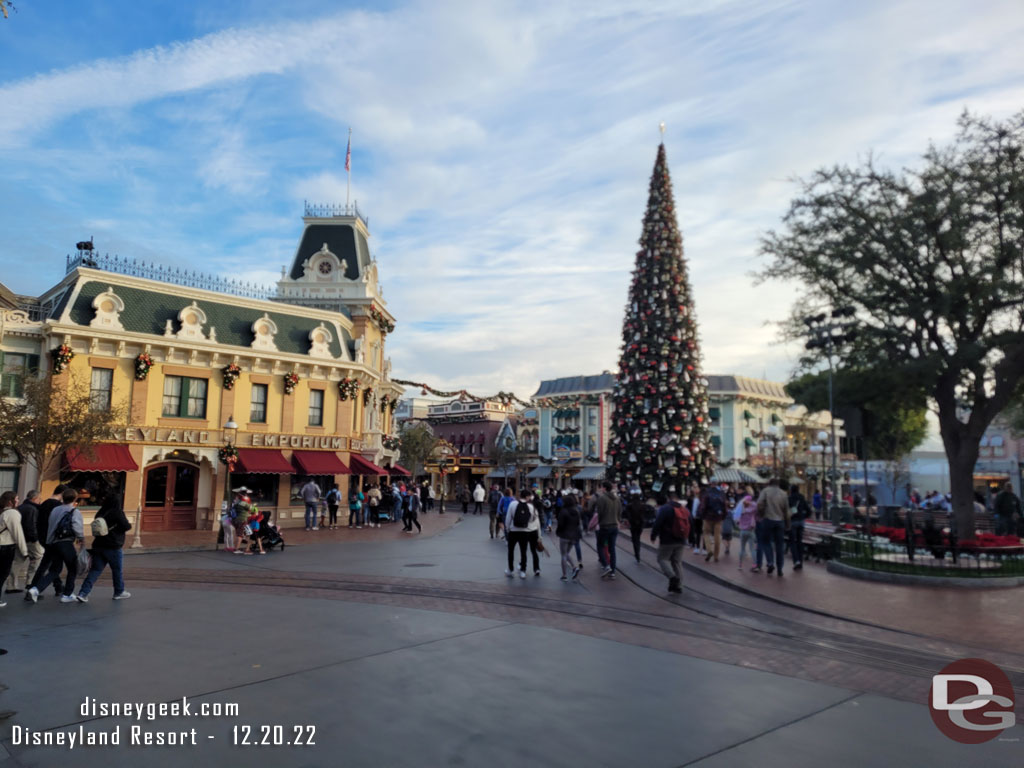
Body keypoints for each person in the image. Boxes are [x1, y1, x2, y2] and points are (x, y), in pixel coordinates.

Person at [75, 486, 133, 602]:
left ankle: (83, 592)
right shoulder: (117, 512)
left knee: (95, 570)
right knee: (117, 570)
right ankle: (119, 591)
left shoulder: (100, 512)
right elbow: (126, 526)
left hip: (99, 545)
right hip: (113, 545)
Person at [28, 487, 83, 603]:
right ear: (75, 499)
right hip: (66, 542)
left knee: (55, 569)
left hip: (53, 543)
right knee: (73, 568)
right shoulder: (74, 511)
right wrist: (81, 539)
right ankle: (67, 594)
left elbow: (51, 527)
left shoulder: (55, 510)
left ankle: (36, 588)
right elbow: (77, 527)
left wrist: (49, 541)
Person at [27, 485, 67, 600]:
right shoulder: (58, 506)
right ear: (62, 493)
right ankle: (34, 589)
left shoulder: (44, 504)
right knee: (49, 566)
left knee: (51, 564)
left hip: (43, 538)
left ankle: (58, 587)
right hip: (53, 539)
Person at [5, 489, 41, 593]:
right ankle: (30, 582)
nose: (40, 501)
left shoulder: (20, 508)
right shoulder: (33, 509)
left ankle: (11, 585)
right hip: (30, 539)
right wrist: (35, 539)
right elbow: (31, 525)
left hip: (19, 539)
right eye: (39, 499)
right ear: (35, 499)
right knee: (38, 557)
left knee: (17, 561)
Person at [651, 493, 687, 593]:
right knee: (677, 562)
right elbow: (690, 522)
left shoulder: (664, 509)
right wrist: (690, 538)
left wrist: (653, 535)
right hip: (681, 539)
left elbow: (657, 523)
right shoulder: (683, 509)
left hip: (667, 540)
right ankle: (679, 586)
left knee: (662, 559)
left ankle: (673, 577)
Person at [755, 479, 790, 576]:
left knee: (766, 542)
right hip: (780, 521)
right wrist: (787, 524)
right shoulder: (783, 493)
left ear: (769, 484)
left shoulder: (765, 491)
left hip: (768, 519)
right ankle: (780, 568)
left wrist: (761, 514)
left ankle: (770, 562)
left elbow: (759, 504)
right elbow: (787, 510)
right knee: (779, 545)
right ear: (778, 484)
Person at [0, 491, 28, 607]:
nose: (18, 501)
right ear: (10, 501)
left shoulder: (3, 512)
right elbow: (18, 533)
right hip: (5, 546)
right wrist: (24, 550)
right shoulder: (12, 513)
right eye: (16, 499)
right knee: (2, 574)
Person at [505, 489, 541, 578]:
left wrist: (508, 528)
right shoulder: (531, 506)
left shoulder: (512, 504)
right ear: (528, 496)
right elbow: (533, 519)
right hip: (525, 532)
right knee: (523, 552)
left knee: (510, 551)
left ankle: (510, 569)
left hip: (513, 531)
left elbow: (508, 519)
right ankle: (523, 571)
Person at [594, 482, 622, 579]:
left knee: (600, 546)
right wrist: (617, 520)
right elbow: (620, 512)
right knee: (612, 548)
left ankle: (606, 566)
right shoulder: (617, 499)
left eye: (601, 487)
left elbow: (600, 512)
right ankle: (613, 571)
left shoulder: (602, 498)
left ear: (604, 488)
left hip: (605, 526)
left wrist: (600, 522)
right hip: (614, 526)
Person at [555, 493, 582, 581]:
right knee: (566, 553)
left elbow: (560, 524)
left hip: (564, 535)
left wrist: (558, 531)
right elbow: (578, 523)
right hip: (574, 535)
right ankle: (574, 568)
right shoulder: (576, 511)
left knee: (563, 554)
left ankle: (564, 575)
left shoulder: (563, 511)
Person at [700, 485, 727, 563]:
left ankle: (709, 550)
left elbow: (703, 506)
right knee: (717, 536)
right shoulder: (721, 493)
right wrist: (723, 516)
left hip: (708, 517)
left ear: (710, 483)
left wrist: (702, 515)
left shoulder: (707, 493)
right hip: (718, 518)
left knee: (706, 533)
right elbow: (725, 507)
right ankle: (716, 556)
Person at [788, 485, 811, 570]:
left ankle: (796, 561)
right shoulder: (802, 498)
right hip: (801, 522)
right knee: (799, 541)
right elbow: (809, 510)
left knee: (792, 542)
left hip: (792, 522)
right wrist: (803, 516)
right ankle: (800, 561)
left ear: (791, 490)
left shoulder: (789, 499)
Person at [734, 493, 758, 571]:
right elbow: (756, 505)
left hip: (742, 531)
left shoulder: (740, 510)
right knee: (752, 549)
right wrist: (750, 501)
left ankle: (740, 565)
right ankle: (754, 564)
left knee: (742, 548)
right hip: (751, 531)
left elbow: (736, 520)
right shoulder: (753, 509)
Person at [625, 491, 646, 565]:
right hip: (640, 524)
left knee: (634, 539)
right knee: (638, 538)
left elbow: (626, 514)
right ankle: (638, 552)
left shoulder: (630, 506)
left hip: (633, 524)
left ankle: (637, 554)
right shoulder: (642, 505)